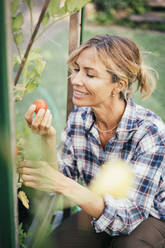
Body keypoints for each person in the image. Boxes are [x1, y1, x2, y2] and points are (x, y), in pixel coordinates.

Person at [19, 34, 165, 248]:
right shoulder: (79, 119)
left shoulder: (150, 132)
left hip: (150, 216)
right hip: (99, 208)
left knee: (128, 245)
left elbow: (129, 218)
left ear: (119, 85)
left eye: (90, 74)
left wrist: (67, 186)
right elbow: (61, 178)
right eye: (77, 69)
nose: (75, 80)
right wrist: (47, 139)